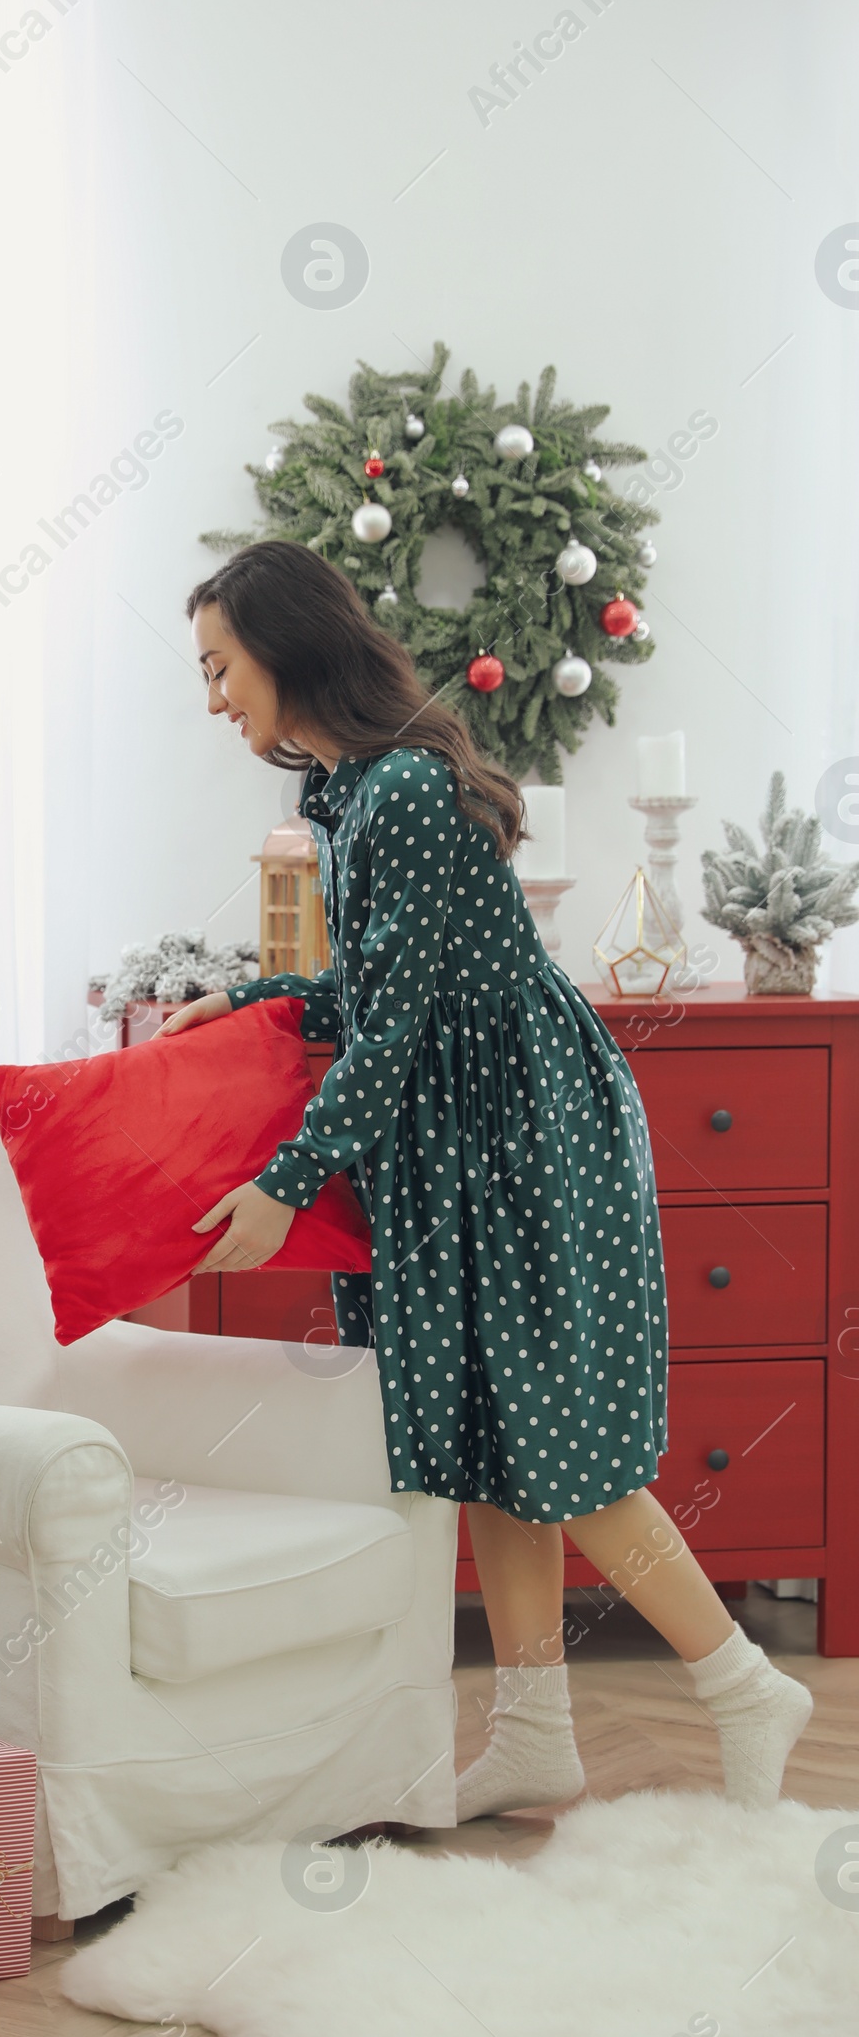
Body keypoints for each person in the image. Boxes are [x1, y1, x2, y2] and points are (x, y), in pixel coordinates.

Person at [158, 540, 813, 1815]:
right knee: (492, 1436)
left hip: (515, 1132)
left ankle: (743, 1684)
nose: (212, 697)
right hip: (461, 1130)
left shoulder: (395, 790)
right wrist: (252, 995)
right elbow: (388, 989)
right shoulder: (355, 793)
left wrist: (290, 1181)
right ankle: (532, 1735)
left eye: (218, 667)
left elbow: (397, 1027)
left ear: (284, 649)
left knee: (556, 1441)